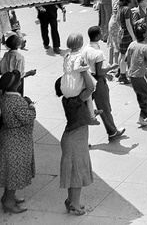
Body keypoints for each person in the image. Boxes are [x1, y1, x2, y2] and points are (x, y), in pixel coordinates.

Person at [0, 71, 35, 214]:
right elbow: (28, 118)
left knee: (9, 170)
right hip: (17, 141)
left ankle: (7, 197)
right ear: (16, 85)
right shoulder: (17, 101)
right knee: (15, 172)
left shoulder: (5, 97)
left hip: (8, 138)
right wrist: (31, 106)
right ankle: (9, 203)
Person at [57, 77, 94, 216]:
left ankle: (72, 200)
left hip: (74, 139)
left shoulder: (70, 101)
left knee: (74, 172)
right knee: (77, 173)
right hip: (75, 141)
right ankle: (75, 204)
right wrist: (83, 71)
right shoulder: (73, 101)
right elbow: (91, 88)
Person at [125, 23, 147, 126]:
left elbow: (127, 58)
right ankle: (142, 116)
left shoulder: (132, 44)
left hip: (131, 74)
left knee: (141, 94)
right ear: (144, 35)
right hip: (140, 75)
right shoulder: (145, 47)